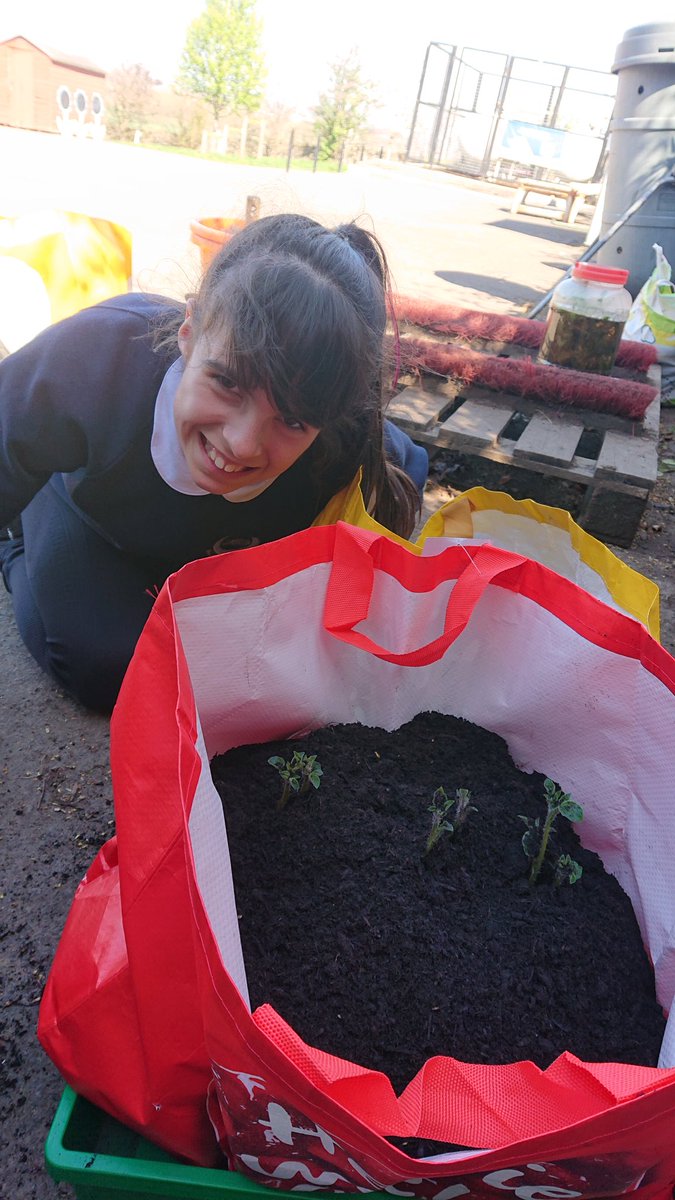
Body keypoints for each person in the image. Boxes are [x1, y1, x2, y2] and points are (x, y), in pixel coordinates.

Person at [0, 213, 428, 713]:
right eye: (227, 383)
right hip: (84, 510)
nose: (243, 444)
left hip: (198, 553)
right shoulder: (98, 356)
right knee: (112, 670)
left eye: (291, 421)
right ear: (189, 329)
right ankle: (15, 545)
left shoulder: (350, 441)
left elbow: (405, 471)